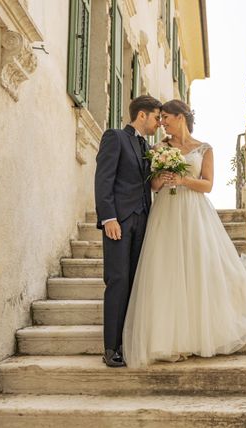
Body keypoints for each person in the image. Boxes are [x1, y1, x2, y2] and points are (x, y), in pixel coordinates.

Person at [122, 99, 246, 367]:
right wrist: (162, 178)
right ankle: (169, 338)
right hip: (166, 211)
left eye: (166, 117)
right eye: (160, 118)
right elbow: (152, 186)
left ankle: (200, 333)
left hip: (196, 211)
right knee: (167, 270)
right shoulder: (158, 148)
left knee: (198, 268)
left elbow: (208, 185)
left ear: (181, 117)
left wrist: (183, 180)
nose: (162, 122)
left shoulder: (205, 149)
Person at [94, 95, 163, 367]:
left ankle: (128, 341)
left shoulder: (147, 146)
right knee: (118, 280)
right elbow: (104, 179)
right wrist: (108, 217)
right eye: (157, 117)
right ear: (142, 115)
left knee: (135, 281)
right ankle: (111, 348)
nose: (159, 122)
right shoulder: (115, 137)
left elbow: (148, 183)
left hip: (143, 220)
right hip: (119, 221)